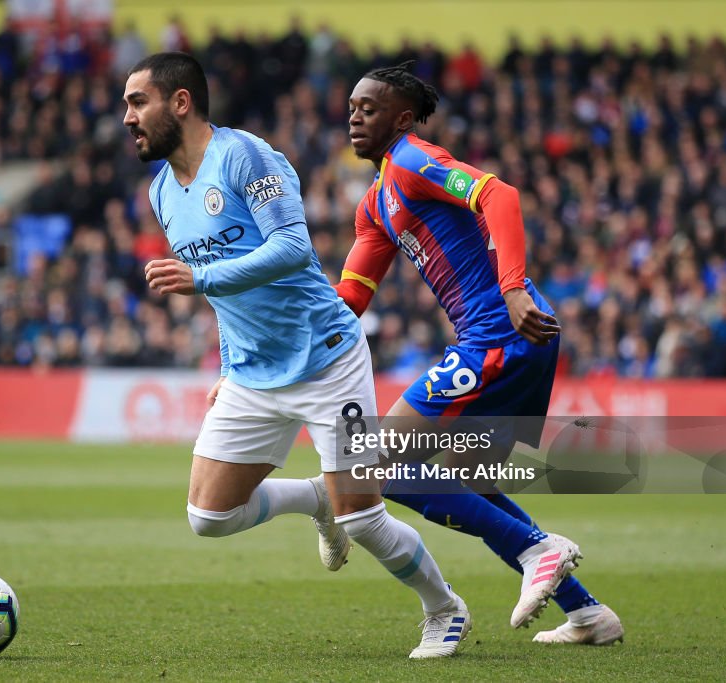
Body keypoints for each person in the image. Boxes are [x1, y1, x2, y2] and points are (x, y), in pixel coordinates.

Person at [124, 52, 470, 659]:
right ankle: (315, 499)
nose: (127, 116)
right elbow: (227, 298)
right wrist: (230, 365)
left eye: (137, 102)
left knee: (363, 517)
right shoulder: (161, 191)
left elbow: (290, 248)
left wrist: (200, 281)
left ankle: (444, 608)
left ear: (180, 102)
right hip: (252, 373)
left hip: (329, 359)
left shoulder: (245, 157)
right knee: (209, 516)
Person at [327, 62, 623, 645]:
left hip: (504, 332)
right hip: (504, 337)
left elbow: (498, 194)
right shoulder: (375, 204)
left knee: (377, 464)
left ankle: (539, 548)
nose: (355, 116)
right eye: (352, 106)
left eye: (370, 107)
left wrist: (512, 287)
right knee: (467, 481)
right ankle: (589, 615)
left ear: (402, 118)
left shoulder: (412, 160)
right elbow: (348, 304)